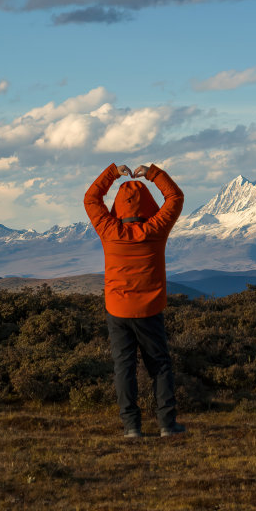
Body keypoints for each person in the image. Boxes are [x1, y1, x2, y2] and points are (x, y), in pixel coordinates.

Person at [84, 162, 185, 438]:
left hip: (117, 310)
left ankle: (131, 428)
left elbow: (91, 199)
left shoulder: (109, 230)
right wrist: (154, 174)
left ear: (119, 205)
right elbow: (175, 197)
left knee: (123, 367)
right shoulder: (157, 229)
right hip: (150, 310)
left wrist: (112, 173)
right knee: (160, 366)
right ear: (149, 205)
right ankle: (167, 425)